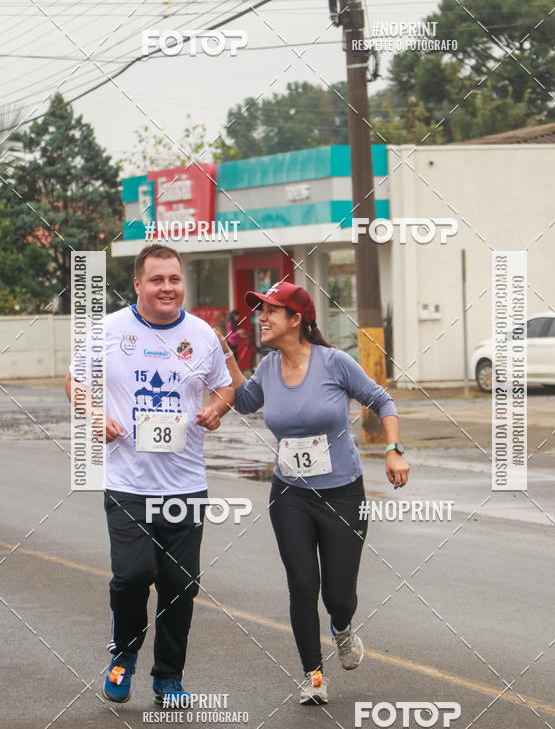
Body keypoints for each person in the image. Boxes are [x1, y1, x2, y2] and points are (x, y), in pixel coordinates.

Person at [210, 281, 409, 705]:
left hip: (342, 494)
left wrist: (393, 451)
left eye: (270, 311)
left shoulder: (334, 363)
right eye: (260, 310)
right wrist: (226, 357)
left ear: (297, 319)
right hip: (290, 496)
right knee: (302, 584)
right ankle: (313, 676)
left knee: (338, 595)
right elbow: (245, 402)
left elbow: (382, 401)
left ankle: (341, 628)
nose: (261, 318)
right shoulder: (267, 367)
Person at [65, 244, 234, 705]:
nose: (168, 288)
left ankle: (168, 678)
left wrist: (215, 410)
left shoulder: (201, 335)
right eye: (157, 279)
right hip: (128, 484)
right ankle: (123, 656)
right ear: (138, 284)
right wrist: (94, 414)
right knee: (133, 576)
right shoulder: (109, 331)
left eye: (174, 279)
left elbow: (225, 385)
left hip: (184, 484)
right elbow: (75, 381)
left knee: (181, 585)